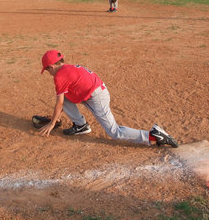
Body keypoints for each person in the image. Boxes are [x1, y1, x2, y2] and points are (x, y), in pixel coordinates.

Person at [38, 50, 179, 148]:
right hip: (93, 92)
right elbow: (64, 100)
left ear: (51, 67)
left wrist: (52, 123)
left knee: (114, 132)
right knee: (67, 97)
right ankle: (80, 126)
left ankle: (153, 136)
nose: (49, 73)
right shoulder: (68, 68)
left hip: (97, 97)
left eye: (47, 70)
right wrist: (55, 118)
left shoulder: (59, 76)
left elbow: (59, 102)